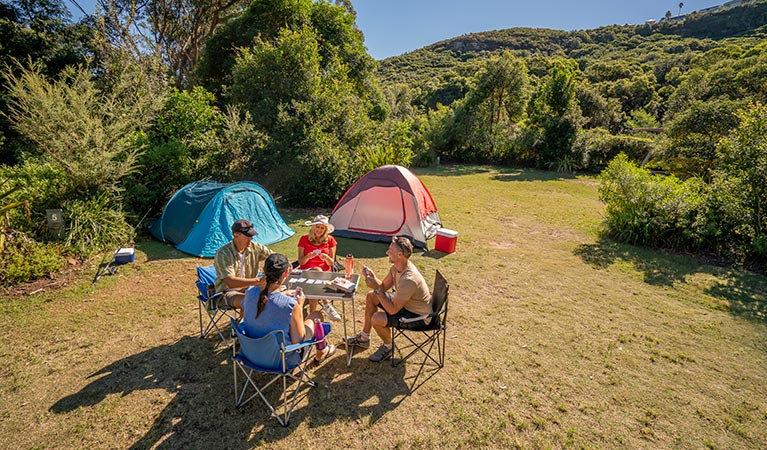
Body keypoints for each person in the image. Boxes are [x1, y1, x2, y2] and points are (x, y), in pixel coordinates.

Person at [344, 236, 432, 362]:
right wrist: (374, 279)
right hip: (405, 304)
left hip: (418, 316)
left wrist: (377, 288)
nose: (386, 252)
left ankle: (388, 347)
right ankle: (364, 338)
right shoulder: (396, 267)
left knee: (377, 319)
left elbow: (392, 310)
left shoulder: (409, 279)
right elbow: (383, 287)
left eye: (390, 250)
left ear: (400, 254)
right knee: (371, 296)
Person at [241, 253, 336, 364]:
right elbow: (298, 341)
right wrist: (299, 306)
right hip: (281, 360)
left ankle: (322, 351)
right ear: (286, 273)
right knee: (316, 315)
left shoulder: (249, 292)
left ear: (264, 270)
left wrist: (282, 294)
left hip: (251, 353)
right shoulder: (289, 305)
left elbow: (266, 304)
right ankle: (322, 351)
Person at [213, 219, 272, 314]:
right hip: (227, 292)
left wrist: (280, 265)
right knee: (251, 301)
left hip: (250, 289)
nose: (251, 239)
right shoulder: (223, 254)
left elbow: (274, 257)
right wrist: (258, 281)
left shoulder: (254, 247)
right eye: (248, 236)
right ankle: (245, 327)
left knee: (275, 296)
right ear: (236, 235)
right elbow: (231, 282)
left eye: (251, 236)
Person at [296, 215, 342, 321]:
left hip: (325, 274)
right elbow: (301, 262)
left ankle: (311, 317)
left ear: (325, 230)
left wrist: (326, 258)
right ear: (313, 227)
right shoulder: (303, 239)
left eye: (322, 228)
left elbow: (331, 263)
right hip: (306, 273)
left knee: (317, 277)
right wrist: (308, 256)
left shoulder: (330, 240)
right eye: (317, 226)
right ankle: (326, 304)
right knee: (316, 271)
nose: (319, 230)